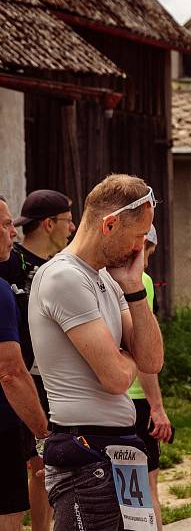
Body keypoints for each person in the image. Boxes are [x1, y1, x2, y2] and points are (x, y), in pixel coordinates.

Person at [29, 175, 164, 531]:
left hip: (119, 450)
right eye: (138, 236)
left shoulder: (109, 278)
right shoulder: (64, 277)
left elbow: (152, 360)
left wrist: (134, 288)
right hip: (85, 455)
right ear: (110, 224)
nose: (141, 248)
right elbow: (117, 378)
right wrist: (126, 355)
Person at [0, 189, 75, 531]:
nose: (72, 227)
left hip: (54, 378)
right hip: (19, 378)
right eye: (68, 220)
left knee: (48, 462)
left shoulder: (65, 267)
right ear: (48, 223)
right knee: (35, 461)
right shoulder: (10, 263)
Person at [0, 195, 50, 531]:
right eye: (5, 225)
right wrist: (44, 434)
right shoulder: (1, 292)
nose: (13, 233)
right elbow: (11, 372)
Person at [127, 225, 172, 531]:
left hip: (106, 401)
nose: (146, 263)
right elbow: (145, 355)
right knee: (146, 487)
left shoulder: (94, 277)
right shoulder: (140, 281)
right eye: (148, 253)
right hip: (136, 398)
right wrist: (157, 407)